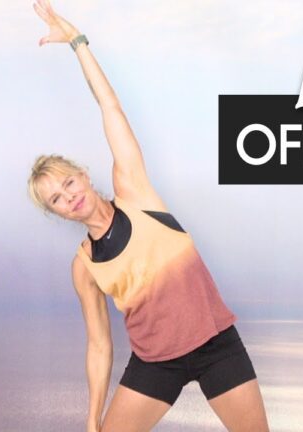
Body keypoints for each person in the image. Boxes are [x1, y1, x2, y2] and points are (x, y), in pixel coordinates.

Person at [28, 1, 270, 431]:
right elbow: (99, 347)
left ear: (83, 175)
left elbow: (110, 106)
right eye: (56, 200)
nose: (68, 197)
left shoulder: (134, 191)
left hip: (216, 345)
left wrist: (78, 42)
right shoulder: (84, 267)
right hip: (155, 363)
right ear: (56, 214)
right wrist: (91, 421)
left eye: (68, 184)